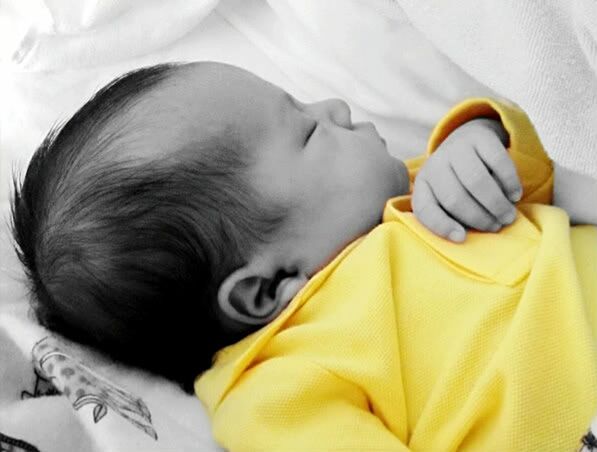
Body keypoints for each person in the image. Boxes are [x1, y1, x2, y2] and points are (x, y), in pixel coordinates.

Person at [10, 61, 597, 450]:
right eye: (309, 132)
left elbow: (542, 178)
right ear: (266, 289)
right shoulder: (277, 389)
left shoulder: (413, 194)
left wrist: (478, 143)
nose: (336, 106)